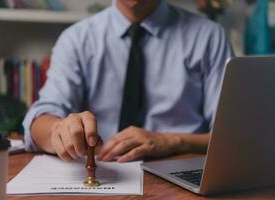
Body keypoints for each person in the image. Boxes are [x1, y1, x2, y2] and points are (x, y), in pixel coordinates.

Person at [23, 0, 233, 162]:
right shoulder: (77, 39)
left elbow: (231, 136)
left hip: (182, 170)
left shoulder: (209, 37)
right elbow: (41, 118)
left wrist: (170, 141)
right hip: (102, 171)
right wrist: (58, 129)